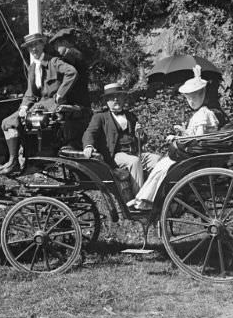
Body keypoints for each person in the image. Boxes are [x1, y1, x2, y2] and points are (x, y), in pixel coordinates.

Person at [126, 65, 220, 212]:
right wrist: (183, 132)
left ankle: (145, 200)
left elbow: (200, 140)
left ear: (202, 95)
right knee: (161, 164)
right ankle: (144, 197)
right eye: (189, 98)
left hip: (196, 156)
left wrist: (177, 138)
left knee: (162, 167)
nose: (191, 101)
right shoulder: (206, 113)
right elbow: (197, 137)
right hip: (197, 153)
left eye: (194, 97)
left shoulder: (203, 114)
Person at [0, 32, 84, 175]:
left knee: (33, 122)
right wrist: (24, 107)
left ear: (42, 45)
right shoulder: (32, 68)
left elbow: (72, 72)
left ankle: (37, 161)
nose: (34, 49)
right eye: (30, 47)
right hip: (38, 105)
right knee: (7, 122)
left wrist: (60, 95)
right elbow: (30, 93)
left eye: (36, 45)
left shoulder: (53, 62)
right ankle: (13, 161)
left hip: (52, 105)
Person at [81, 83, 160, 195]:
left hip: (135, 152)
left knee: (157, 159)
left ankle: (155, 196)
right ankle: (139, 201)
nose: (116, 99)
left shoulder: (130, 115)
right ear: (106, 101)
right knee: (134, 162)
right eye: (111, 97)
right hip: (116, 156)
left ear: (124, 98)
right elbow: (90, 133)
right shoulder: (100, 117)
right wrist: (88, 146)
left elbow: (141, 140)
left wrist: (140, 135)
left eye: (119, 96)